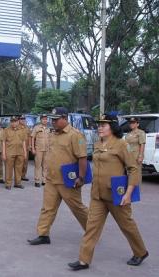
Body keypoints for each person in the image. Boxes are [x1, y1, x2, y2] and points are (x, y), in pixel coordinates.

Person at [68, 114, 148, 271]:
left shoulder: (121, 144)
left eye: (103, 125)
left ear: (112, 127)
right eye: (99, 124)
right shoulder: (98, 143)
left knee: (127, 225)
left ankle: (140, 251)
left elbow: (133, 169)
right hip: (98, 194)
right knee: (91, 227)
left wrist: (128, 194)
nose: (99, 127)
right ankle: (84, 260)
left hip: (116, 195)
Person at [28, 107, 89, 245]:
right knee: (47, 208)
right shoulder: (52, 133)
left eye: (56, 120)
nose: (53, 122)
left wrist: (81, 177)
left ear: (65, 118)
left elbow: (82, 158)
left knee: (77, 208)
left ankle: (92, 231)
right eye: (52, 119)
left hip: (68, 180)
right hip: (51, 179)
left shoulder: (75, 135)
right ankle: (43, 234)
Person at [2, 116, 27, 190]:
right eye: (12, 121)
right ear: (10, 122)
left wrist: (25, 152)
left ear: (18, 122)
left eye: (15, 121)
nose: (13, 123)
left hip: (20, 152)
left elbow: (23, 142)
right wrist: (3, 153)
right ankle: (8, 184)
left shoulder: (22, 130)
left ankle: (18, 183)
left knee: (19, 168)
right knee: (9, 169)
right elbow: (3, 142)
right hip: (10, 152)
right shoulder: (6, 130)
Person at [125, 117, 146, 185]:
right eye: (130, 123)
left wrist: (140, 156)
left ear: (137, 124)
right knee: (129, 173)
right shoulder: (128, 134)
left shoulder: (141, 133)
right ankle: (130, 189)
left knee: (136, 173)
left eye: (133, 123)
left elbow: (142, 144)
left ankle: (136, 189)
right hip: (129, 156)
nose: (131, 124)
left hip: (136, 156)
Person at [31, 114, 50, 187]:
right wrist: (32, 148)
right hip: (38, 149)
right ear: (40, 120)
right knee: (37, 165)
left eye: (46, 119)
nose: (45, 120)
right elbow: (32, 138)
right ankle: (37, 180)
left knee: (45, 166)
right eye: (43, 119)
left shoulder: (48, 129)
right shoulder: (36, 128)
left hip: (46, 150)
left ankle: (44, 180)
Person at [19, 115, 31, 181]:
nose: (23, 120)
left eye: (23, 119)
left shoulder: (27, 128)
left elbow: (29, 137)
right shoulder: (17, 127)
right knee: (19, 162)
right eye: (21, 119)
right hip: (19, 147)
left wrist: (29, 145)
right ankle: (18, 175)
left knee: (25, 162)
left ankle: (23, 175)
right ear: (19, 120)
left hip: (26, 147)